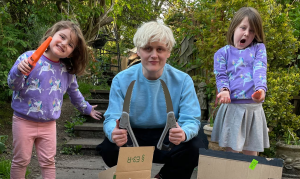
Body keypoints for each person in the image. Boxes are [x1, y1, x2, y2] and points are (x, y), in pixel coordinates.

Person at [97, 21, 207, 179]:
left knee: (195, 146)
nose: (154, 55)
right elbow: (111, 117)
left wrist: (183, 132)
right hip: (132, 136)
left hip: (167, 137)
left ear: (168, 52)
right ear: (139, 51)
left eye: (160, 49)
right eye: (148, 48)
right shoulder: (121, 80)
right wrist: (113, 132)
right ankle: (133, 176)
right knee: (108, 148)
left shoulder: (183, 80)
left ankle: (162, 177)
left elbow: (191, 119)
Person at [7, 20, 102, 179]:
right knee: (21, 161)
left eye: (71, 44)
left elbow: (74, 93)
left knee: (48, 162)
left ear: (71, 53)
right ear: (51, 36)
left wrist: (86, 108)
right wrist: (18, 70)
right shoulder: (28, 57)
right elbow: (13, 85)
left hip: (49, 125)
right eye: (62, 37)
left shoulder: (67, 71)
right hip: (23, 121)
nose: (64, 43)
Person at [211, 7, 269, 156]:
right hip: (233, 110)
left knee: (252, 155)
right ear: (234, 27)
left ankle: (253, 173)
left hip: (253, 111)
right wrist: (224, 90)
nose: (246, 33)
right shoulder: (222, 53)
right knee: (233, 153)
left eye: (251, 31)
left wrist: (261, 89)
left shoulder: (258, 49)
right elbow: (221, 75)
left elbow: (260, 68)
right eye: (243, 27)